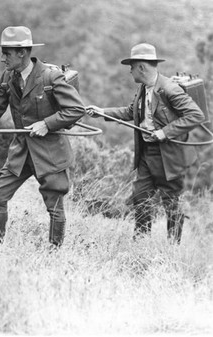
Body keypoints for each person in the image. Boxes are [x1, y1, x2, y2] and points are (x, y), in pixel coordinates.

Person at [0, 26, 85, 246]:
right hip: (22, 152)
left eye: (6, 53)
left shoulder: (50, 76)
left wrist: (46, 124)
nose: (2, 58)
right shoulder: (8, 77)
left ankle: (53, 255)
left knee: (54, 206)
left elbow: (75, 109)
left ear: (22, 53)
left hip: (49, 153)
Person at [87, 43, 205, 244]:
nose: (130, 71)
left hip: (170, 158)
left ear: (141, 67)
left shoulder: (169, 89)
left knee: (172, 204)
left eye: (131, 66)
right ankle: (141, 244)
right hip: (147, 156)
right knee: (140, 199)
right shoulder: (143, 88)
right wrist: (101, 111)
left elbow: (196, 115)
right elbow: (130, 112)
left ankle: (172, 247)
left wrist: (164, 132)